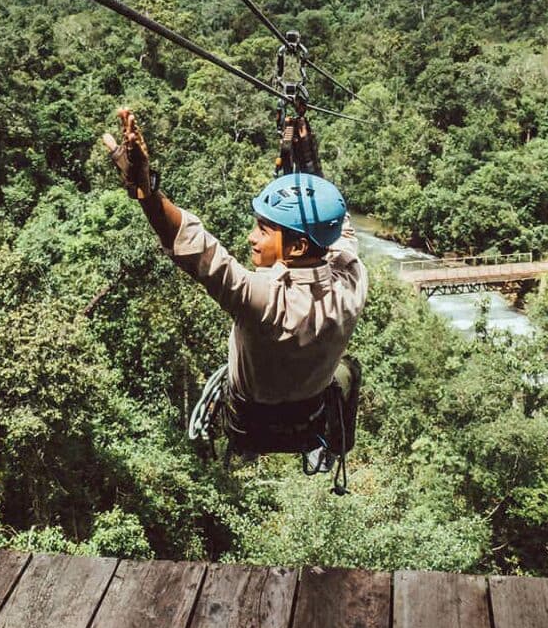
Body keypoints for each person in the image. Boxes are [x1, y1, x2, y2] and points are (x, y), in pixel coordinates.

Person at [100, 108, 367, 425]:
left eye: (264, 230)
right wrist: (309, 161)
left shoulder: (261, 299)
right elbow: (340, 230)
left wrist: (144, 187)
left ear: (297, 247)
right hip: (311, 408)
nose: (251, 237)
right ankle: (339, 437)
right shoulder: (352, 280)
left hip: (251, 417)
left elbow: (192, 244)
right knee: (349, 369)